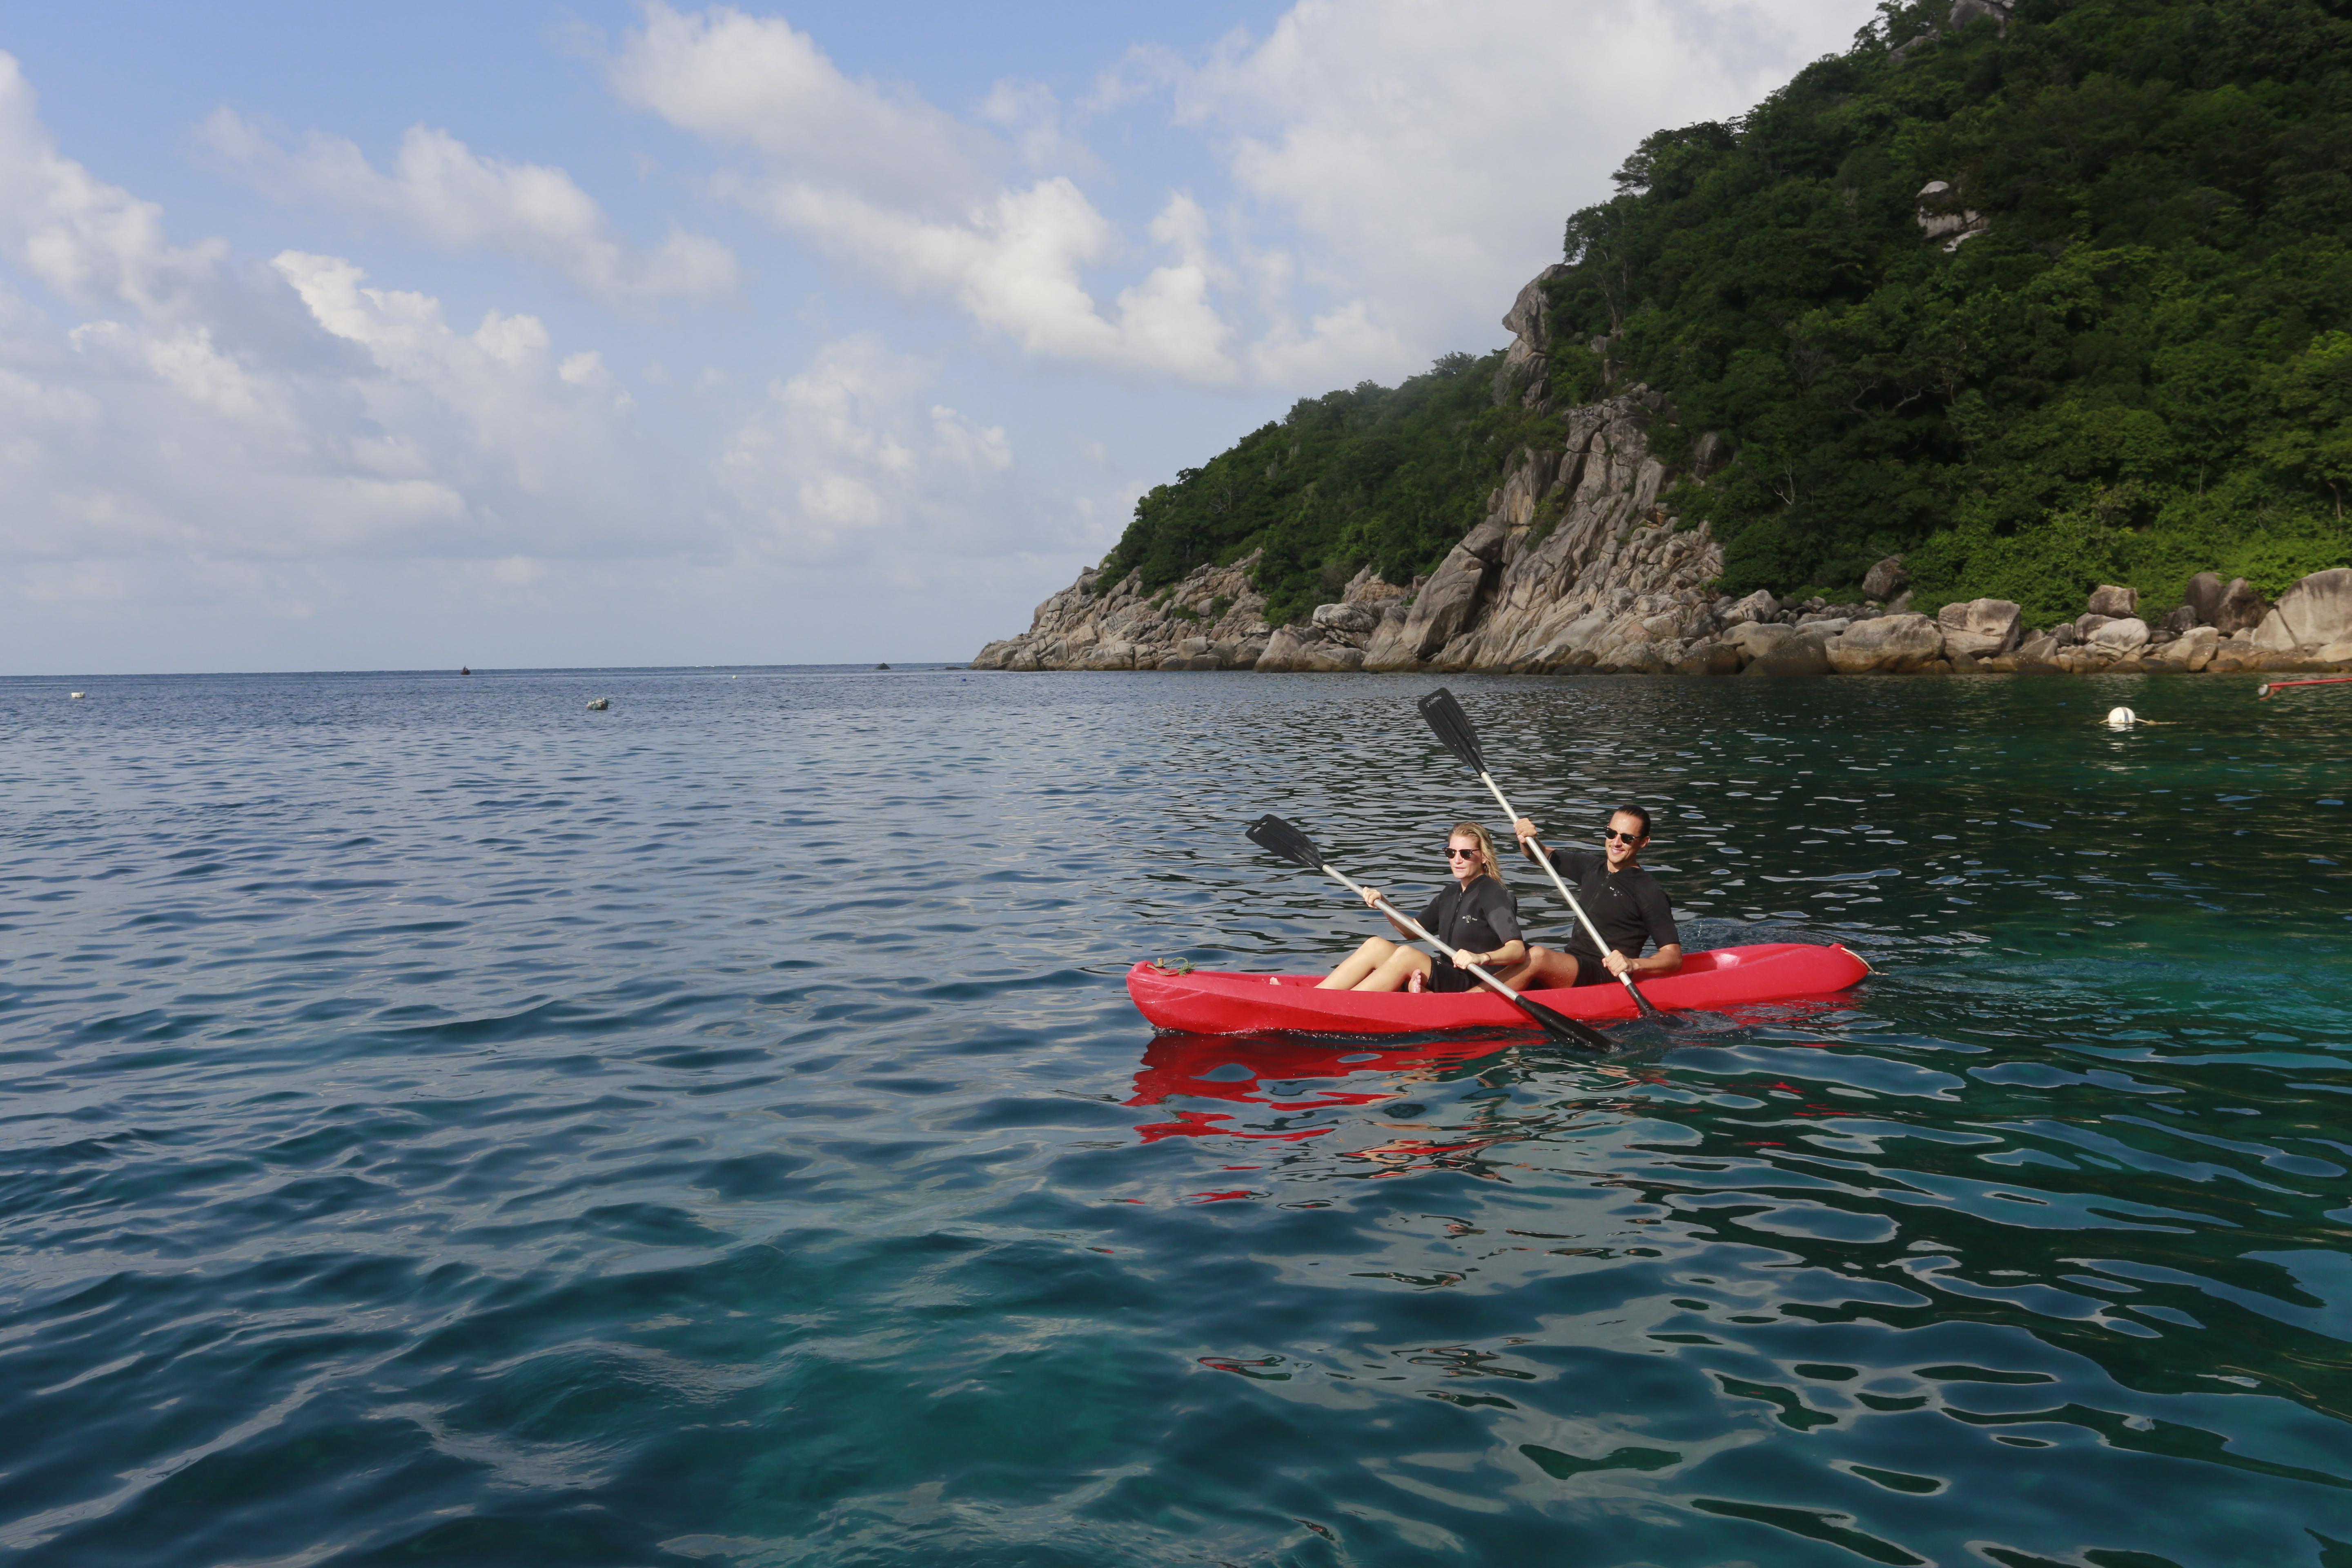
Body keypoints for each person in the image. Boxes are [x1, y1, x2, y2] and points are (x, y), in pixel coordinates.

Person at [1316, 822, 1526, 992]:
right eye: (1451, 853)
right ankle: (1318, 995)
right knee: (1375, 945)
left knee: (1408, 955)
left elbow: (1517, 951)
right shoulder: (1451, 893)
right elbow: (1411, 930)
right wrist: (1385, 904)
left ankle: (1345, 1005)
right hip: (1449, 972)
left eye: (1466, 854)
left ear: (1484, 857)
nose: (1458, 860)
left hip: (1474, 982)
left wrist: (1481, 958)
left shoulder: (1492, 893)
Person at [1498, 806, 1682, 990]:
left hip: (1606, 975)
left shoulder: (1649, 891)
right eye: (1612, 833)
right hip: (1574, 963)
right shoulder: (1590, 867)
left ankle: (1471, 1003)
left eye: (1627, 838)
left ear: (1643, 842)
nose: (1616, 842)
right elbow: (1540, 854)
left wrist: (1633, 964)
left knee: (1538, 956)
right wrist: (1527, 838)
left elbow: (1673, 958)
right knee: (1509, 948)